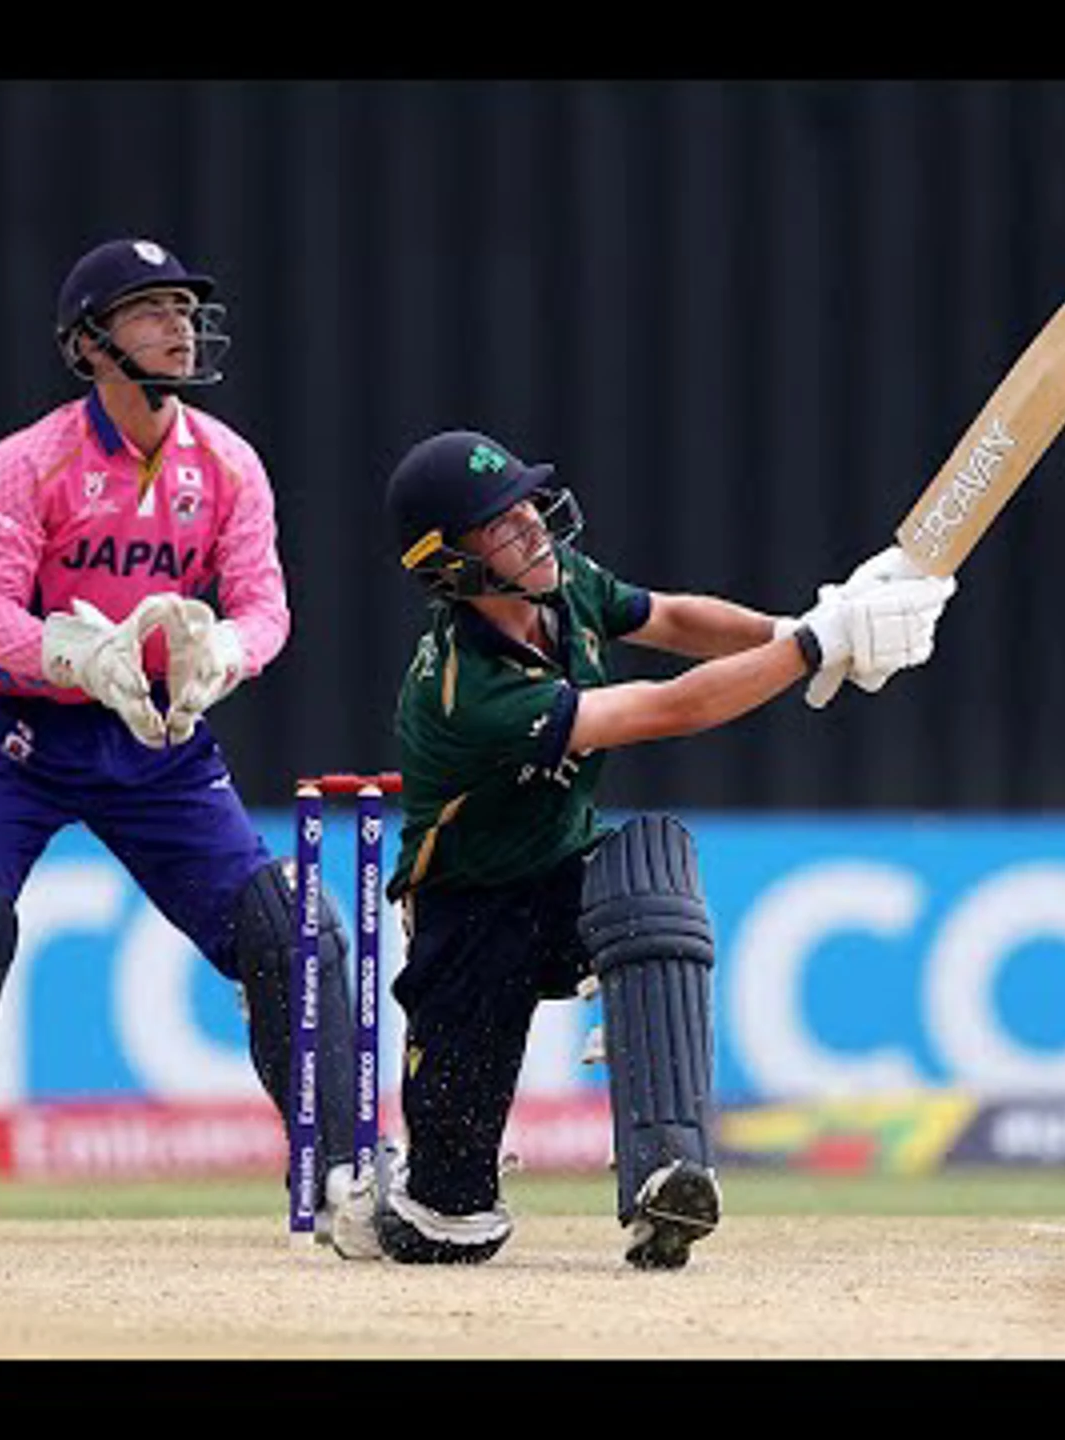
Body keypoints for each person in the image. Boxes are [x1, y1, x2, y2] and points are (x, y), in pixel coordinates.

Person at [328, 428, 954, 1269]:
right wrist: (817, 646)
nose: (532, 528)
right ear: (452, 566)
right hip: (469, 920)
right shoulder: (462, 692)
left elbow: (670, 618)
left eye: (526, 507)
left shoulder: (562, 586)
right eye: (500, 524)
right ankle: (415, 1189)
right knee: (451, 1230)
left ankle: (669, 1174)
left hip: (564, 874)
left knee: (652, 870)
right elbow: (669, 710)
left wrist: (799, 624)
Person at [0, 236, 362, 1241]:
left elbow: (266, 607)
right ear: (89, 342)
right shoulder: (29, 461)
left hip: (160, 741)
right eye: (151, 309)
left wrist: (224, 655)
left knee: (289, 931)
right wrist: (77, 656)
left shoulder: (226, 466)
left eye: (185, 307)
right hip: (23, 740)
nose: (179, 325)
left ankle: (344, 1165)